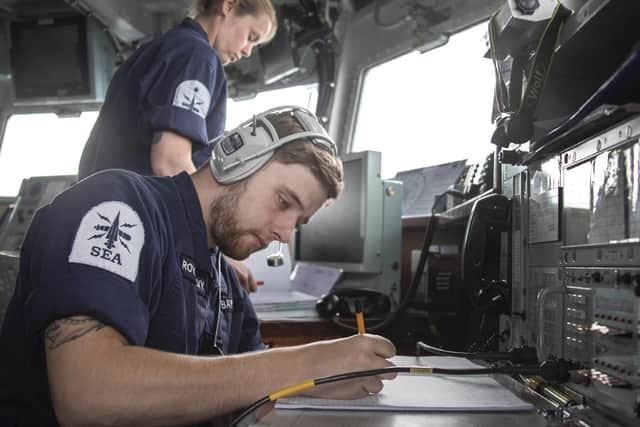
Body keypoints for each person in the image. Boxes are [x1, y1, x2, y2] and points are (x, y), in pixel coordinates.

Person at [0, 106, 397, 426]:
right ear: (239, 160)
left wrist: (322, 383)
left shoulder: (227, 284)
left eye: (299, 222)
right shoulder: (117, 206)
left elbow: (256, 397)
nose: (284, 233)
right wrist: (308, 361)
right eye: (283, 202)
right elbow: (87, 394)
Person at [77, 0, 278, 292]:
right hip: (129, 232)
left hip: (103, 222)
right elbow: (170, 161)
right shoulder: (196, 56)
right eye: (251, 36)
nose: (247, 51)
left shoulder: (159, 48)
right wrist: (210, 251)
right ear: (228, 5)